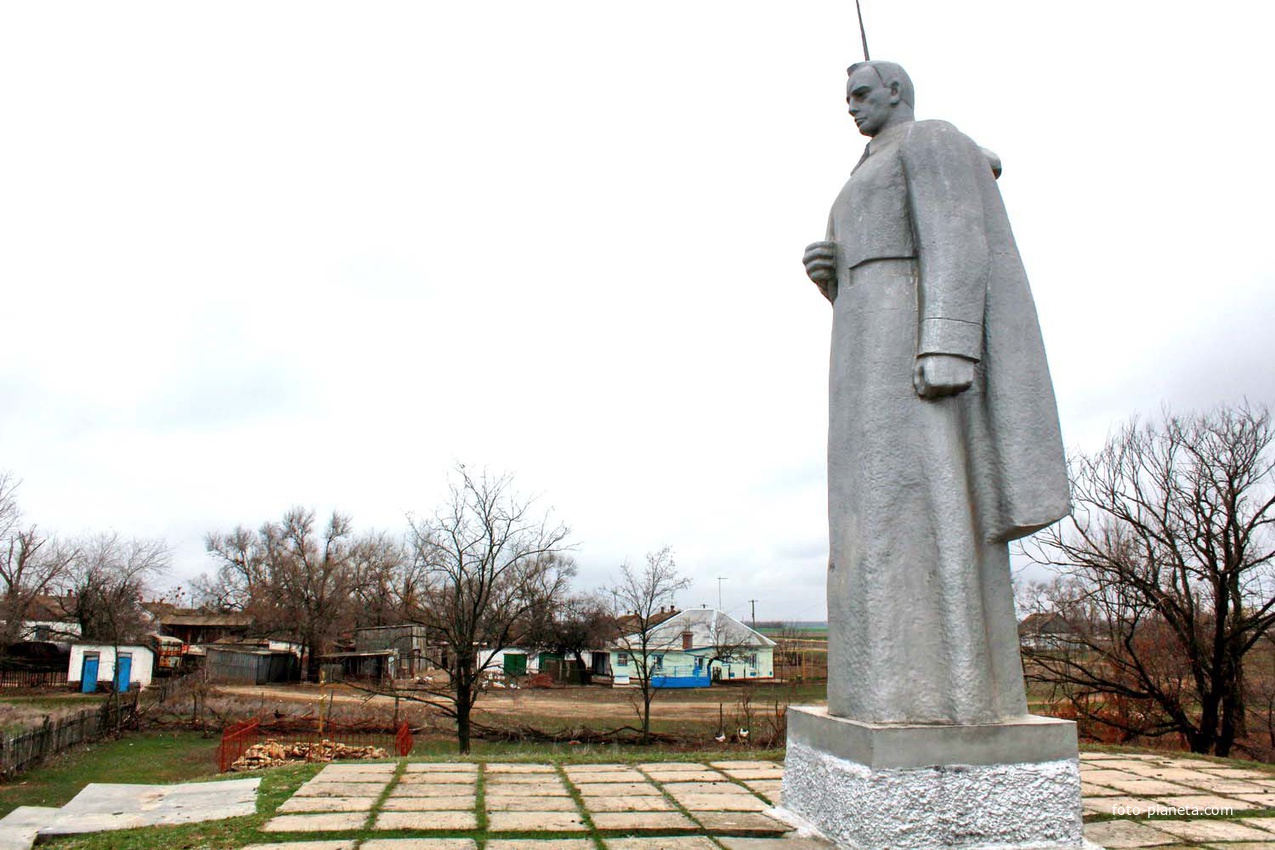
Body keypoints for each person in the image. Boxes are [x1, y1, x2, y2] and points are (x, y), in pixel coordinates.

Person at [802, 60, 1069, 725]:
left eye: (861, 93)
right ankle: (879, 691)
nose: (850, 106)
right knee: (873, 507)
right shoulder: (862, 170)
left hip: (908, 337)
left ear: (897, 92)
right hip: (863, 339)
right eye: (846, 97)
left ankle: (947, 692)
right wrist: (830, 272)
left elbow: (956, 237)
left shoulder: (931, 140)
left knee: (927, 493)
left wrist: (947, 341)